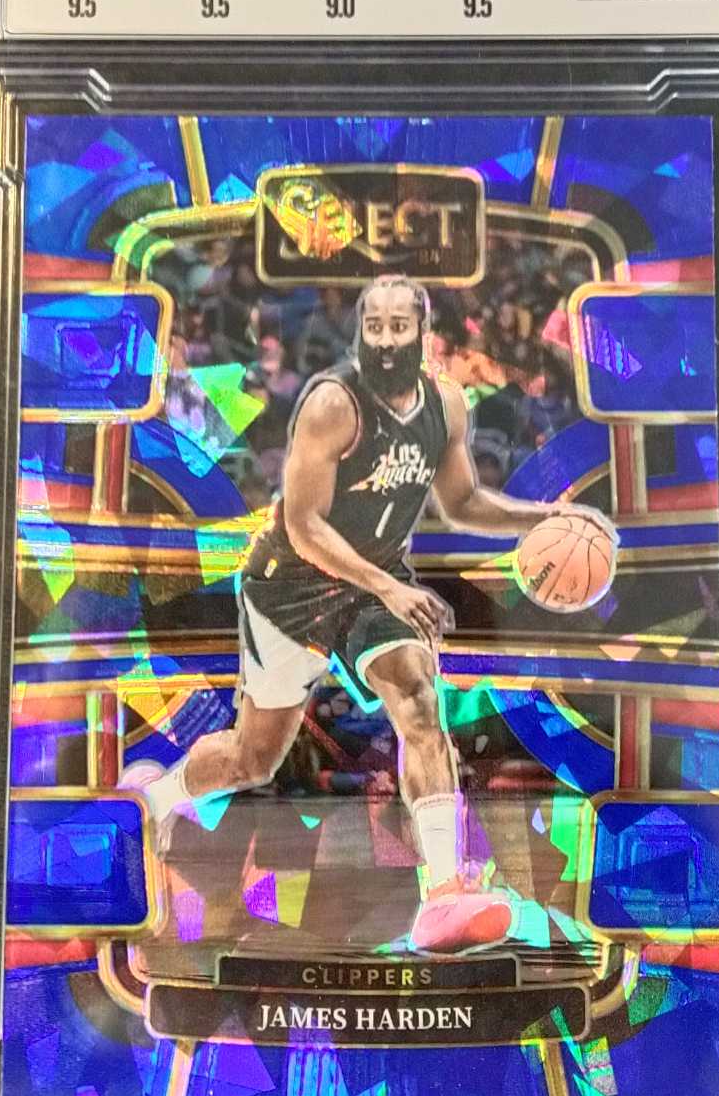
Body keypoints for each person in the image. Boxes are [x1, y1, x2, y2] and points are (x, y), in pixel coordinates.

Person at [122, 274, 613, 953]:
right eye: (373, 326)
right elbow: (303, 526)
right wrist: (390, 587)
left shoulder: (445, 404)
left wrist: (548, 518)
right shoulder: (333, 405)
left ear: (421, 333)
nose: (384, 340)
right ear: (360, 332)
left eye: (397, 326)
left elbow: (462, 502)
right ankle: (155, 800)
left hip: (371, 589)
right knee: (251, 759)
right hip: (290, 584)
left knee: (418, 698)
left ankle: (444, 895)